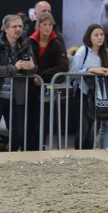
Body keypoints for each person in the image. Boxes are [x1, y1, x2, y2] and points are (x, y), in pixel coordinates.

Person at [0, 14, 36, 151]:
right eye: (14, 27)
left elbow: (32, 68)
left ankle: (11, 156)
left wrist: (32, 68)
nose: (18, 29)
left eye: (20, 26)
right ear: (5, 29)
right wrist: (14, 68)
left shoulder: (25, 44)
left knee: (18, 132)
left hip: (17, 96)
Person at [70, 24, 108, 149]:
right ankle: (80, 153)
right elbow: (73, 73)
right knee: (84, 126)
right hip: (84, 92)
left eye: (101, 35)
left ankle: (89, 152)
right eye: (96, 35)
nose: (100, 37)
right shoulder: (82, 51)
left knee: (94, 126)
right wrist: (90, 70)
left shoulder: (106, 53)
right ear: (89, 37)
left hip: (99, 94)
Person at [29, 12, 69, 151]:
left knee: (43, 123)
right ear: (38, 26)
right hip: (29, 88)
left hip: (45, 88)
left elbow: (63, 67)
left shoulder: (57, 43)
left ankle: (40, 149)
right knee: (29, 123)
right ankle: (28, 150)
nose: (47, 27)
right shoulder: (29, 41)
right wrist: (33, 76)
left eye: (50, 24)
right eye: (44, 24)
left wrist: (41, 77)